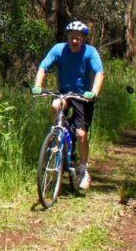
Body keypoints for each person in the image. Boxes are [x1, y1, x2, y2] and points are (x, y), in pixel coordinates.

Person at [32, 21, 105, 190]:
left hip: (83, 96)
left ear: (84, 39)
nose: (74, 41)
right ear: (67, 37)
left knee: (80, 134)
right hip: (64, 93)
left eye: (78, 38)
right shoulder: (58, 49)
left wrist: (93, 92)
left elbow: (99, 73)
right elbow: (43, 67)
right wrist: (38, 85)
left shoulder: (90, 52)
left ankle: (84, 170)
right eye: (72, 37)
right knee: (55, 106)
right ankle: (57, 134)